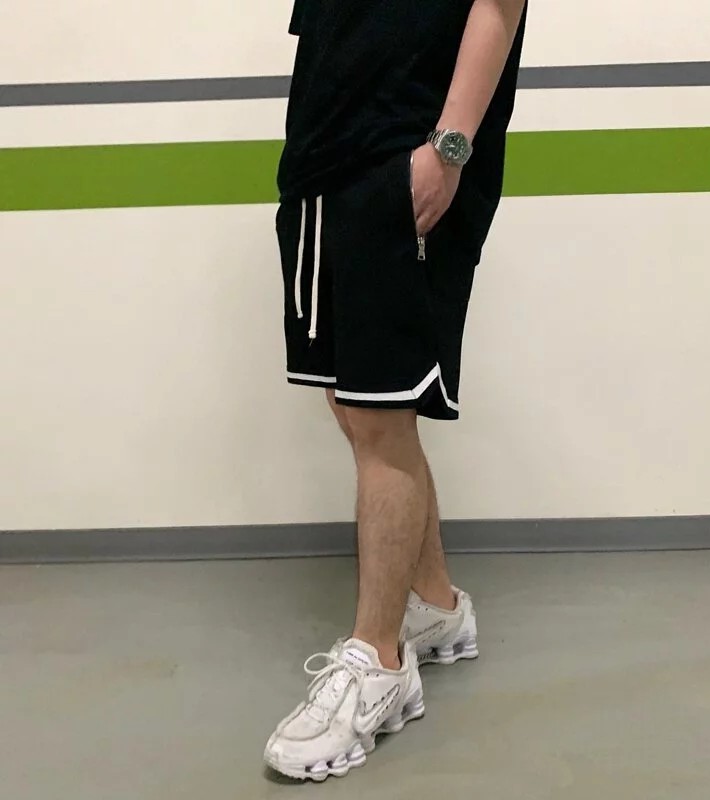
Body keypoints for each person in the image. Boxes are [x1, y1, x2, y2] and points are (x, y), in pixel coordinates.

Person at [265, 0, 527, 781]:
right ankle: (435, 606)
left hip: (402, 152)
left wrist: (449, 148)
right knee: (360, 409)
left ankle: (379, 663)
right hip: (323, 156)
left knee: (379, 413)